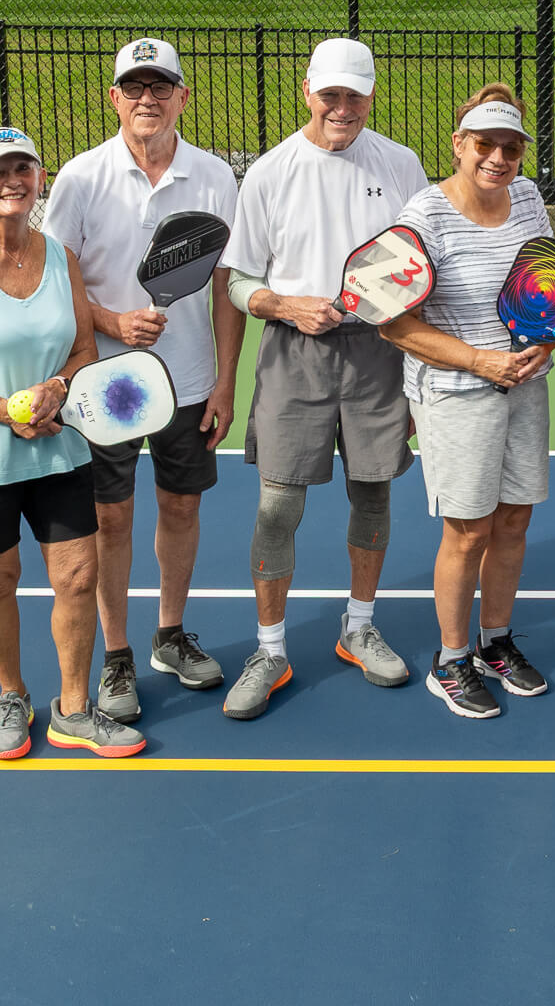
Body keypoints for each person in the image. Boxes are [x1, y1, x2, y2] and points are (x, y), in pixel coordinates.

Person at [0, 125, 145, 760]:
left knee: (79, 577)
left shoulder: (61, 258)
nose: (12, 181)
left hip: (59, 449)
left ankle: (73, 709)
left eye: (23, 169)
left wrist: (58, 389)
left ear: (40, 179)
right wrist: (7, 411)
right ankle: (12, 696)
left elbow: (85, 348)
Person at [219, 37, 431, 720]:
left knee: (372, 494)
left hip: (379, 350)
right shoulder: (270, 172)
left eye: (354, 96)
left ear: (371, 96)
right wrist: (285, 305)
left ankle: (358, 628)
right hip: (293, 351)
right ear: (306, 91)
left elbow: (420, 269)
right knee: (278, 506)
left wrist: (416, 367)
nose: (342, 108)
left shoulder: (401, 165)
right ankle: (269, 650)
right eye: (330, 94)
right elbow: (239, 282)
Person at [41, 39, 243, 725]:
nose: (147, 99)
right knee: (111, 516)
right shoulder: (81, 178)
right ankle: (118, 653)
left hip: (188, 382)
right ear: (115, 98)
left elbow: (225, 289)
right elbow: (60, 280)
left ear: (183, 96)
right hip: (106, 387)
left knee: (181, 508)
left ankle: (170, 634)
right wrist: (111, 321)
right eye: (134, 87)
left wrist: (224, 383)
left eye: (160, 87)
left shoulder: (214, 177)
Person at [379, 85, 555, 718]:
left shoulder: (528, 197)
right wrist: (481, 360)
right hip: (457, 393)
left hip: (525, 385)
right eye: (485, 144)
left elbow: (549, 285)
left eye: (511, 147)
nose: (498, 158)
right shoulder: (423, 217)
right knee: (469, 530)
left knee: (513, 521)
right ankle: (452, 659)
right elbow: (391, 323)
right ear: (459, 145)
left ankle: (495, 642)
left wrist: (546, 340)